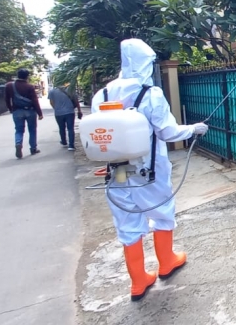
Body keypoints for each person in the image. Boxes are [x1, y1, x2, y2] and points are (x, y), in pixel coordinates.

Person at [90, 39, 208, 302]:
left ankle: (138, 281)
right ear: (146, 63)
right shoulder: (150, 94)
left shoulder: (103, 95)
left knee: (127, 223)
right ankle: (166, 262)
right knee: (162, 213)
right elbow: (167, 132)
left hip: (117, 172)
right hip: (149, 171)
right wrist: (194, 129)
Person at [5, 69, 43, 159]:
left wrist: (11, 109)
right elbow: (35, 100)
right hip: (30, 111)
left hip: (17, 111)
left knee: (19, 130)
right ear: (27, 76)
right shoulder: (29, 86)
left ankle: (18, 143)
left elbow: (7, 99)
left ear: (17, 75)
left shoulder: (9, 85)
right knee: (32, 130)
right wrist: (39, 113)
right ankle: (33, 148)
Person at [48, 84, 83, 151]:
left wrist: (57, 108)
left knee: (61, 128)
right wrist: (79, 110)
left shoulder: (52, 91)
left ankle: (64, 142)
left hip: (58, 113)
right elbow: (76, 101)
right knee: (70, 128)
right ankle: (71, 145)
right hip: (70, 112)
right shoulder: (71, 90)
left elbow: (51, 102)